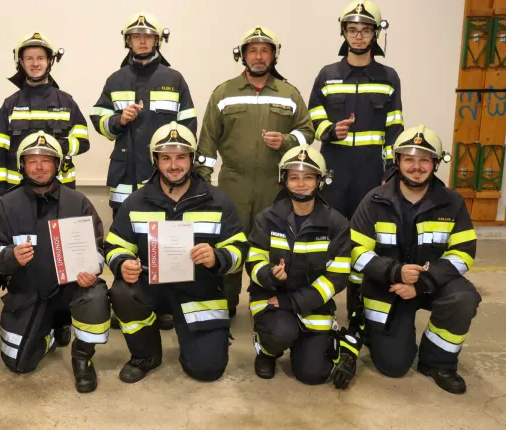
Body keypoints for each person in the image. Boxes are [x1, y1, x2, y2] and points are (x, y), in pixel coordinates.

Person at [103, 121, 248, 383]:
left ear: (191, 159)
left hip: (199, 289)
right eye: (166, 158)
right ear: (155, 160)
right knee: (122, 291)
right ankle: (145, 355)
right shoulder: (136, 201)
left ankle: (199, 340)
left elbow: (239, 249)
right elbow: (114, 245)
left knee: (207, 370)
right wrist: (122, 262)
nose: (174, 165)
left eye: (181, 157)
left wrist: (218, 257)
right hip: (151, 286)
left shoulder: (218, 201)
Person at [350, 125, 480, 394]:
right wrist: (394, 272)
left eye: (424, 159)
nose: (416, 166)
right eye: (409, 159)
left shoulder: (452, 203)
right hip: (388, 286)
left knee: (463, 297)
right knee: (394, 366)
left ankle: (437, 362)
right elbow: (355, 251)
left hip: (432, 284)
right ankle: (374, 329)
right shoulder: (373, 201)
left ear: (435, 163)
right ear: (397, 161)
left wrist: (421, 283)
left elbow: (463, 253)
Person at [197, 26, 315, 317]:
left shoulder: (289, 93)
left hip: (275, 186)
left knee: (272, 243)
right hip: (232, 183)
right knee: (229, 240)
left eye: (265, 50)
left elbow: (307, 132)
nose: (259, 56)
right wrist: (202, 184)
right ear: (243, 55)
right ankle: (227, 299)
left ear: (274, 55)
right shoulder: (224, 93)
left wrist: (286, 141)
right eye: (253, 50)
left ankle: (268, 296)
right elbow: (207, 141)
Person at [0, 131, 110, 393]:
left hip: (71, 289)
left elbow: (98, 247)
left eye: (46, 160)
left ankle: (82, 356)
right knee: (18, 363)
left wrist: (91, 269)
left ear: (57, 164)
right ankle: (52, 332)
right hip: (28, 294)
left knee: (96, 295)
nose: (39, 167)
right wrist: (10, 257)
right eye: (32, 161)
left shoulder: (79, 202)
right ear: (22, 165)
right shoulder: (7, 205)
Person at [245, 144, 360, 389]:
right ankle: (267, 351)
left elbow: (337, 277)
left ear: (320, 180)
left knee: (313, 375)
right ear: (283, 179)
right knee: (281, 333)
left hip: (313, 303)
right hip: (272, 297)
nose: (301, 184)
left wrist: (294, 303)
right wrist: (269, 275)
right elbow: (253, 261)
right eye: (294, 177)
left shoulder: (336, 224)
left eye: (308, 177)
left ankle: (335, 344)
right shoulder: (266, 219)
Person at [90, 11, 197, 215]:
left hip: (164, 175)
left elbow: (188, 126)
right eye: (136, 36)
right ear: (128, 40)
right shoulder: (116, 79)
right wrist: (118, 120)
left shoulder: (174, 80)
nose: (142, 41)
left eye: (148, 36)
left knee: (163, 237)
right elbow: (98, 118)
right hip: (125, 179)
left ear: (157, 40)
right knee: (124, 234)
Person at [308, 0, 403, 220]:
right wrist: (330, 131)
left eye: (365, 30)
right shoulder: (327, 75)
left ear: (376, 33)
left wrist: (390, 171)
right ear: (343, 32)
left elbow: (394, 125)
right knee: (330, 223)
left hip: (371, 168)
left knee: (368, 222)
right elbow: (313, 114)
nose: (358, 36)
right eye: (352, 30)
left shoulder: (388, 77)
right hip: (334, 165)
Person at [0, 32, 89, 199]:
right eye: (29, 58)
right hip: (17, 192)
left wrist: (58, 146)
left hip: (61, 191)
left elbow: (83, 142)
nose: (35, 63)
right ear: (20, 62)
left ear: (49, 61)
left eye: (40, 58)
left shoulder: (66, 102)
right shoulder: (10, 104)